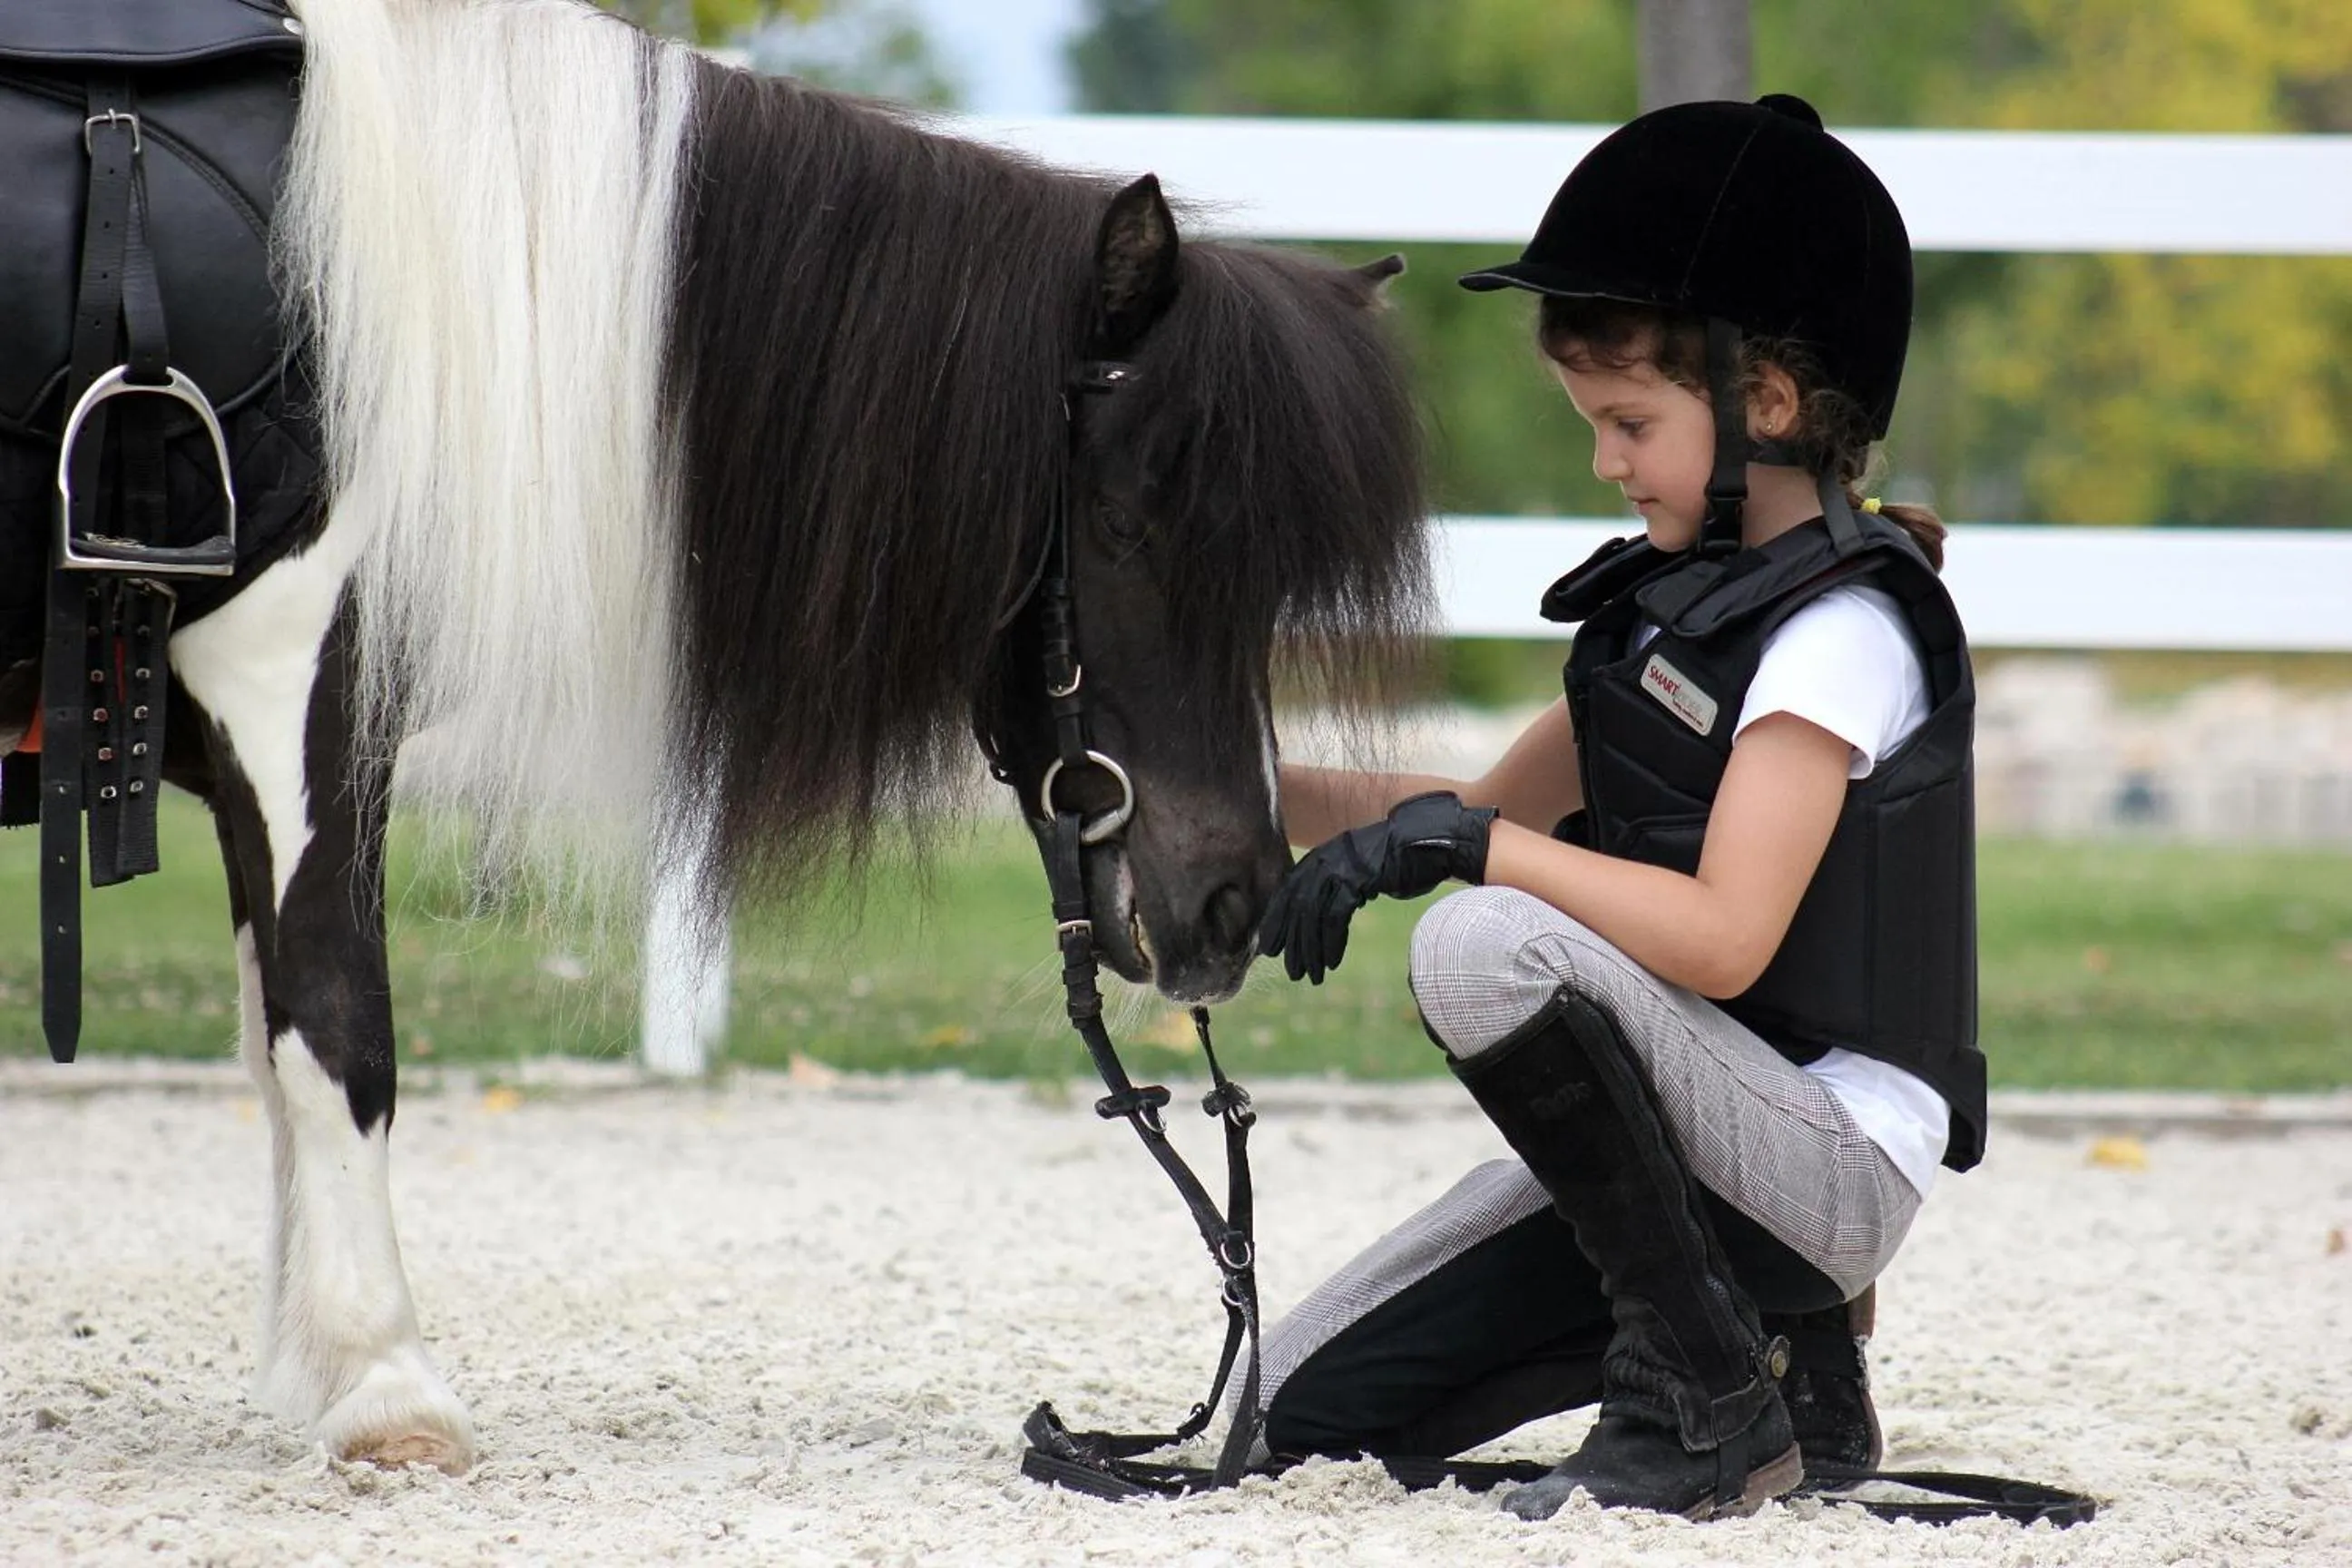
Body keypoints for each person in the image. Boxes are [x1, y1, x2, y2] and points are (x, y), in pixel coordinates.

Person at [1250, 93, 1984, 1523]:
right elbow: (1470, 805)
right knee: (1289, 1414)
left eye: (1629, 422)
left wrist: (1473, 854)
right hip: (1715, 1156)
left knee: (1480, 943)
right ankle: (1786, 1384)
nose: (1606, 462)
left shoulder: (1843, 635)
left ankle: (1709, 1402)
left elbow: (1718, 942)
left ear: (1765, 403)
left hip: (1826, 1176)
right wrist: (1220, 785)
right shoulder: (1668, 625)